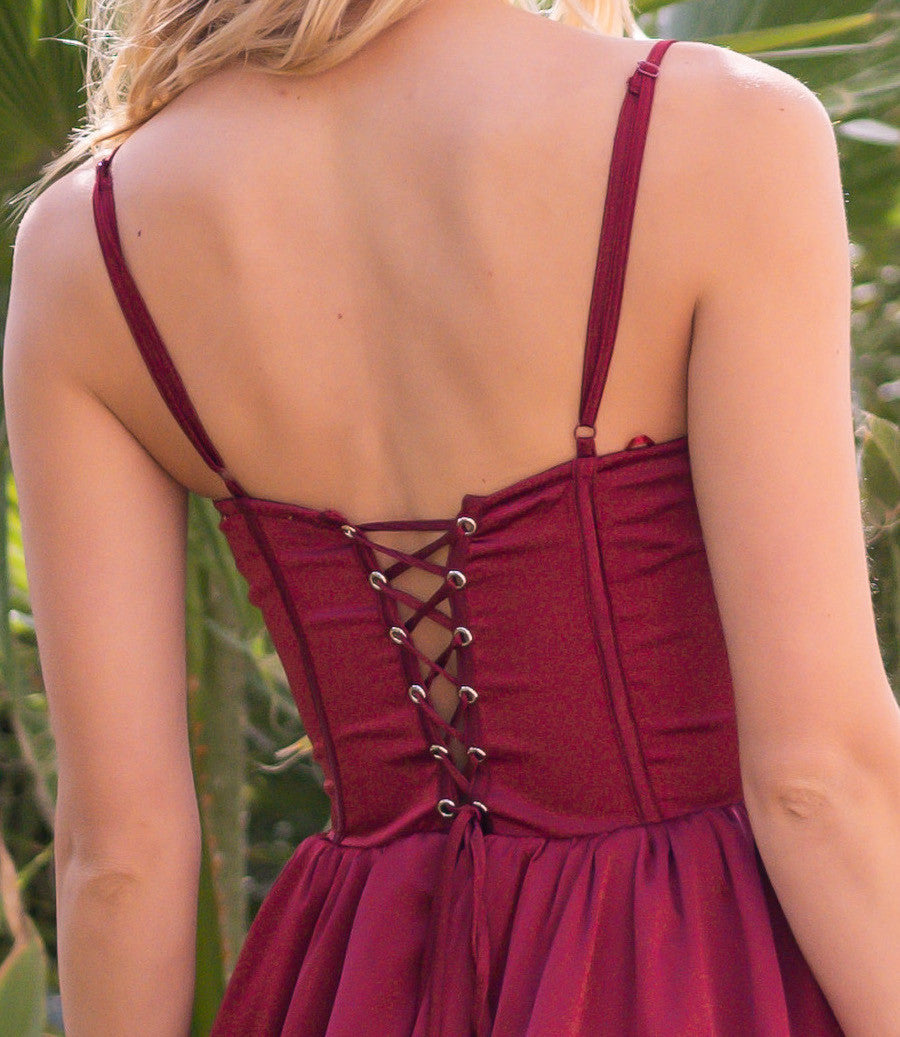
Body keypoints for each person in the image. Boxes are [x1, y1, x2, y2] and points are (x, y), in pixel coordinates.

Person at [4, 0, 900, 1032]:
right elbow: (816, 776)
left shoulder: (86, 243)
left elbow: (119, 853)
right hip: (697, 962)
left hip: (359, 981)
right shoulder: (719, 131)